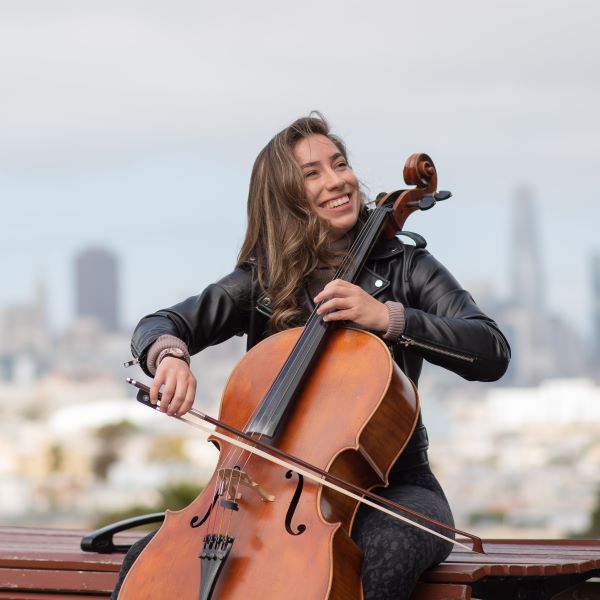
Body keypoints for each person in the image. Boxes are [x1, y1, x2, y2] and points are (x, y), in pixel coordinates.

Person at [114, 114, 510, 599]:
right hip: (262, 494)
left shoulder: (408, 266)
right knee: (149, 562)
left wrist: (389, 319)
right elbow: (163, 324)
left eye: (338, 164)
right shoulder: (264, 279)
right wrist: (170, 357)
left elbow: (491, 349)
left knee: (382, 562)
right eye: (312, 173)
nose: (336, 181)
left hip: (393, 491)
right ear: (285, 197)